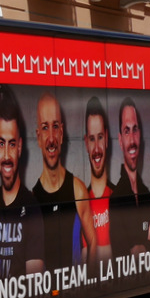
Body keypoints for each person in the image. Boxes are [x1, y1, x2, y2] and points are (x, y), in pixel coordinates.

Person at [0, 95, 44, 283]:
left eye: (12, 144)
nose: (6, 155)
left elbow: (35, 284)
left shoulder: (31, 208)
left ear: (20, 147)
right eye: (1, 143)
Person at [32, 92, 96, 270]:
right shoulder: (32, 199)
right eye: (45, 128)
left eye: (54, 127)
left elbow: (94, 244)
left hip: (74, 292)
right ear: (38, 137)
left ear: (61, 133)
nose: (51, 138)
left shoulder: (78, 189)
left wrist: (85, 283)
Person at [109, 97, 150, 255]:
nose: (132, 140)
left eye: (135, 129)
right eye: (126, 131)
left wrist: (142, 247)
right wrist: (147, 244)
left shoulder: (145, 193)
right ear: (120, 140)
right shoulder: (116, 198)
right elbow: (127, 254)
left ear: (140, 135)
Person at [80, 97, 113, 264]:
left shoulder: (119, 195)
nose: (97, 149)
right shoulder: (82, 205)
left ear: (107, 138)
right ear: (86, 143)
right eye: (92, 139)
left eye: (100, 137)